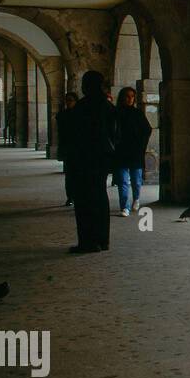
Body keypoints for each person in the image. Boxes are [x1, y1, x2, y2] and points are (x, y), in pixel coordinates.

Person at [64, 70, 119, 254]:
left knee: (84, 200)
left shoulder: (82, 107)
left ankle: (87, 241)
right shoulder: (108, 106)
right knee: (100, 197)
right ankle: (103, 240)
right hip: (102, 158)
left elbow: (74, 136)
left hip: (84, 159)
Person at [113, 86, 152, 216]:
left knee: (136, 180)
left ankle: (136, 198)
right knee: (123, 181)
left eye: (132, 96)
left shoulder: (137, 114)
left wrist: (141, 145)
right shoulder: (116, 113)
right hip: (121, 151)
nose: (130, 99)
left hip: (135, 151)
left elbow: (147, 129)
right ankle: (124, 207)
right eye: (127, 96)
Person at [56, 92, 78, 206]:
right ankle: (70, 197)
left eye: (71, 100)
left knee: (76, 175)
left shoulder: (80, 114)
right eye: (67, 100)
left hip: (78, 148)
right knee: (69, 175)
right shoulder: (63, 115)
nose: (68, 103)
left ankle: (76, 196)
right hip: (68, 149)